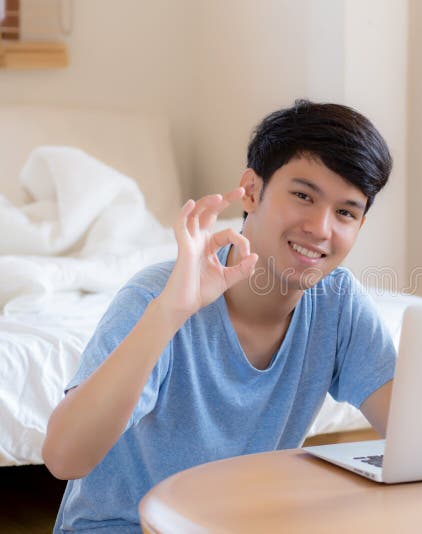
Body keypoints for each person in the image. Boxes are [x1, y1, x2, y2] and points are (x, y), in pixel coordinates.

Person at [43, 100, 396, 533]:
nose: (321, 229)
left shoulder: (338, 303)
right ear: (251, 190)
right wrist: (170, 313)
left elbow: (415, 435)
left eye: (346, 212)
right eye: (303, 195)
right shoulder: (153, 296)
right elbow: (64, 458)